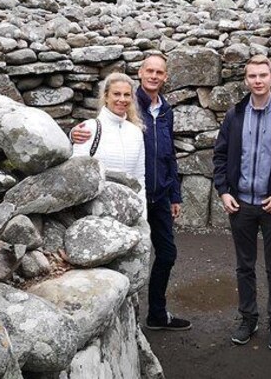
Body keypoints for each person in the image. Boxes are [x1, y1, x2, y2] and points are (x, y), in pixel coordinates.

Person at [71, 54, 191, 331]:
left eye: (159, 72)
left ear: (165, 77)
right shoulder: (126, 101)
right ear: (140, 72)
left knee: (166, 254)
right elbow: (88, 145)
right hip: (118, 203)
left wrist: (175, 194)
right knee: (122, 261)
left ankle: (157, 314)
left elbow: (168, 155)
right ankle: (120, 321)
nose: (153, 76)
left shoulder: (165, 111)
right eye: (149, 70)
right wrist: (72, 134)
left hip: (157, 195)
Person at [213, 54, 271, 350]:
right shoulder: (234, 115)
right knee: (244, 267)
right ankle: (248, 319)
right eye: (252, 76)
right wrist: (223, 191)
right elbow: (221, 156)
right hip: (241, 206)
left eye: (263, 75)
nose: (258, 81)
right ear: (246, 79)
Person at [71, 72, 146, 204]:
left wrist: (142, 214)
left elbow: (139, 178)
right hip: (96, 212)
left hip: (129, 212)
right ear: (105, 96)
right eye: (116, 94)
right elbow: (76, 174)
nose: (122, 99)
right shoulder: (89, 129)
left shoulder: (136, 133)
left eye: (127, 95)